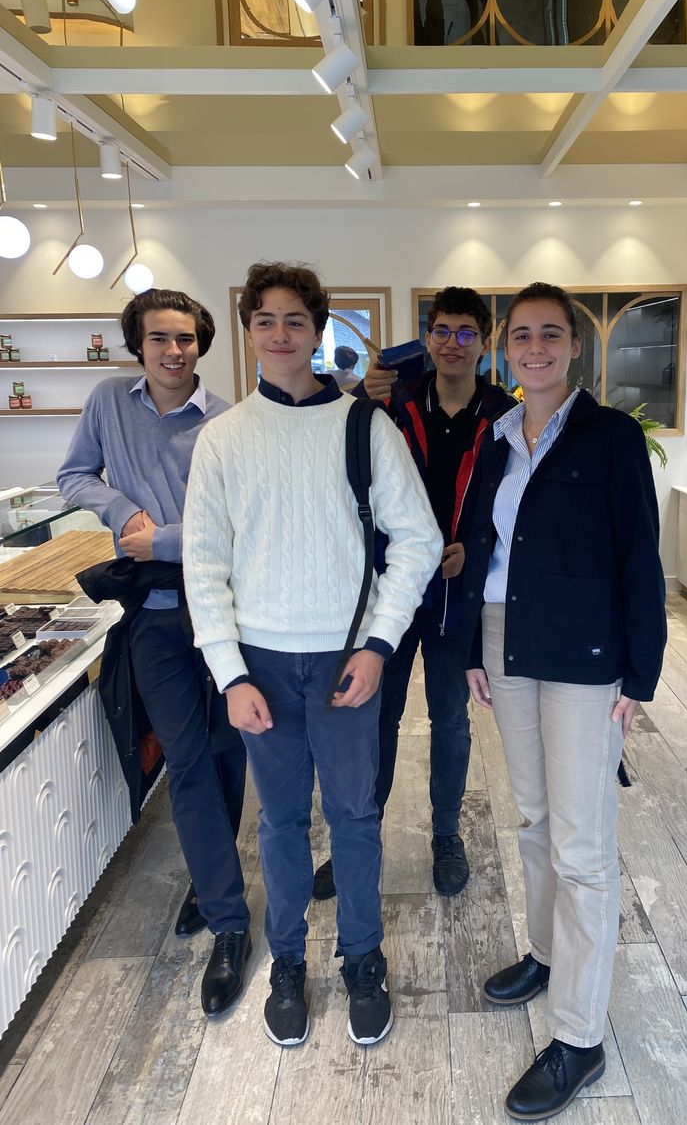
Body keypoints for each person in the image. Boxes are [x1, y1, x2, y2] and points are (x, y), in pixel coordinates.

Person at [183, 261, 441, 1050]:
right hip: (259, 663)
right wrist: (229, 674)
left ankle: (362, 957)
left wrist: (378, 645)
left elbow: (419, 540)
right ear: (248, 331)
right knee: (280, 822)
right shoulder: (224, 438)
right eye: (264, 319)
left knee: (355, 817)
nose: (280, 333)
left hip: (345, 660)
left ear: (318, 330)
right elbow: (203, 562)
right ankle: (288, 963)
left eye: (295, 319)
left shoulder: (365, 428)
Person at [461, 282, 666, 1122]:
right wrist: (467, 648)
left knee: (582, 844)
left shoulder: (610, 436)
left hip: (583, 652)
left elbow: (639, 556)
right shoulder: (497, 434)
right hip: (504, 637)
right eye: (522, 335)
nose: (535, 347)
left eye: (551, 334)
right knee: (536, 817)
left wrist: (640, 674)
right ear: (504, 348)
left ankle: (578, 1036)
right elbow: (475, 547)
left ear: (575, 346)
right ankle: (547, 954)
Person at [57, 288, 251, 1017]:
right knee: (188, 758)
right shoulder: (109, 402)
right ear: (137, 344)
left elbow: (237, 523)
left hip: (223, 612)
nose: (174, 351)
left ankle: (210, 878)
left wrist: (160, 539)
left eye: (186, 339)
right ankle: (230, 921)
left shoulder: (227, 422)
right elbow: (74, 475)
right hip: (153, 618)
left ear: (202, 344)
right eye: (159, 338)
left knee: (227, 753)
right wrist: (121, 510)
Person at [313, 286, 515, 902]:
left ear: (485, 342)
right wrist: (358, 395)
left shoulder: (503, 415)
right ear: (427, 338)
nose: (453, 343)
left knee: (451, 719)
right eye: (442, 330)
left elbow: (510, 502)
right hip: (392, 588)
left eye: (466, 332)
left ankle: (447, 836)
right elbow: (336, 447)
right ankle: (360, 838)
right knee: (380, 715)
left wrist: (472, 549)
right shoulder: (392, 402)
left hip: (458, 591)